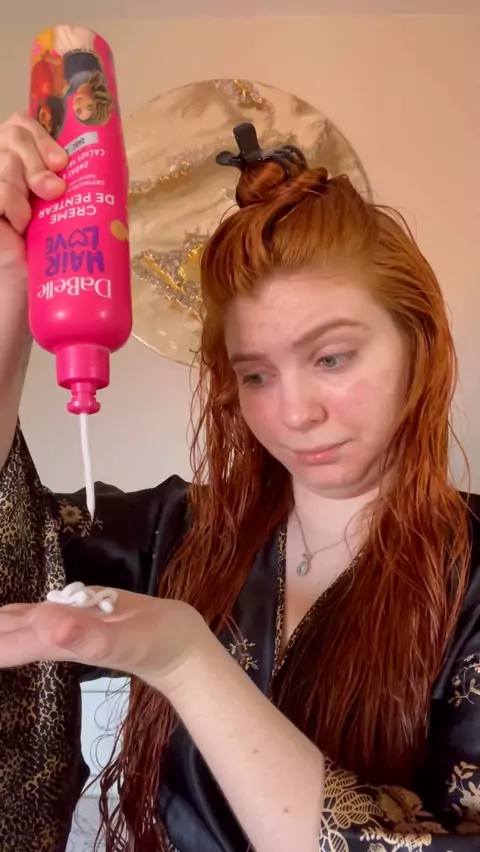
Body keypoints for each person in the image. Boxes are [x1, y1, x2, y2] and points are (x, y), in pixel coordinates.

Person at [0, 113, 479, 852]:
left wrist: (189, 663)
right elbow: (14, 546)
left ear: (418, 342)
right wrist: (10, 298)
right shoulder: (182, 534)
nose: (295, 413)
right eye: (255, 375)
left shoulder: (469, 576)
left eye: (331, 358)